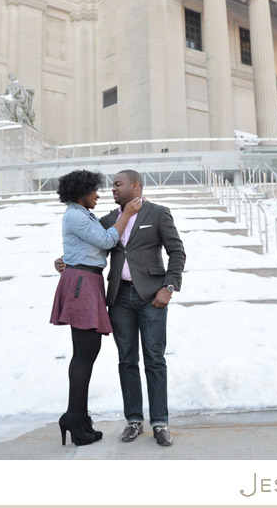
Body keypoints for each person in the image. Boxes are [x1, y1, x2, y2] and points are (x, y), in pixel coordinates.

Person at [50, 169, 142, 446]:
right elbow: (105, 241)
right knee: (85, 353)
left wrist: (64, 258)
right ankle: (74, 417)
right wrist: (126, 215)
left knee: (86, 352)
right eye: (94, 190)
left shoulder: (82, 214)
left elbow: (90, 246)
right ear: (81, 192)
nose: (98, 195)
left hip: (86, 279)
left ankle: (77, 417)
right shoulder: (76, 214)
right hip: (81, 282)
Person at [102, 170, 185, 447]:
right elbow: (95, 250)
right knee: (126, 360)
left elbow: (177, 251)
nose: (112, 189)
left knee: (154, 359)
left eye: (118, 184)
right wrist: (65, 261)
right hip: (119, 298)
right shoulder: (108, 220)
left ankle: (160, 423)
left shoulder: (158, 213)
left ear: (135, 186)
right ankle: (133, 420)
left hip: (152, 297)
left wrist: (169, 287)